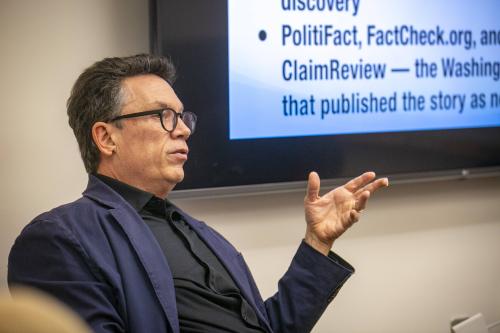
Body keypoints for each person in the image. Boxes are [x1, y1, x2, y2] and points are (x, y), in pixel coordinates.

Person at [8, 54, 388, 333]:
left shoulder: (201, 233)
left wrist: (317, 241)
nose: (184, 130)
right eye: (163, 116)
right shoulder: (59, 238)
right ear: (107, 137)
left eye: (183, 117)